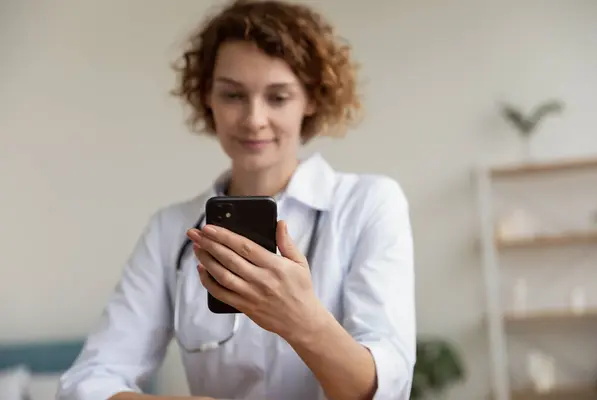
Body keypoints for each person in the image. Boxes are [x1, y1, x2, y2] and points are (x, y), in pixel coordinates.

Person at [57, 0, 416, 399]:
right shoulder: (171, 231)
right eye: (233, 95)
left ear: (311, 99)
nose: (253, 119)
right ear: (207, 97)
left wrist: (303, 321)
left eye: (278, 97)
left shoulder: (368, 204)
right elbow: (86, 382)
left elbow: (386, 388)